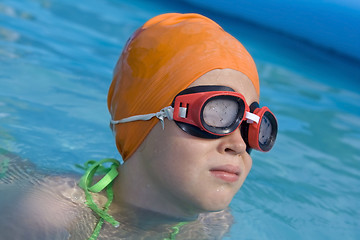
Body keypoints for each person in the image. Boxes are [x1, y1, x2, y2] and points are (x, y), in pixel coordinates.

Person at [0, 13, 277, 240]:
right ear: (144, 118)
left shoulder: (212, 224)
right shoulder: (47, 212)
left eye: (250, 126)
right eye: (217, 114)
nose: (239, 145)